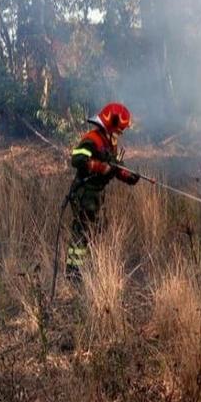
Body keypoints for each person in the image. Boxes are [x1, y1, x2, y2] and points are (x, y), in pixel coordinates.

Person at [66, 103, 140, 275]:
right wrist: (99, 167)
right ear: (110, 123)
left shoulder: (110, 142)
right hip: (84, 192)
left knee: (94, 231)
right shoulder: (92, 139)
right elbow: (77, 159)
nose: (121, 133)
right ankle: (73, 272)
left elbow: (115, 166)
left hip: (96, 194)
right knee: (81, 233)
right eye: (119, 129)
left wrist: (129, 176)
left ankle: (85, 268)